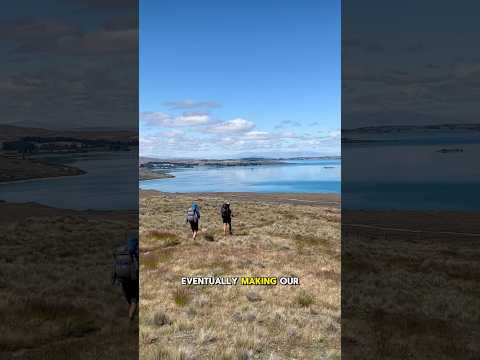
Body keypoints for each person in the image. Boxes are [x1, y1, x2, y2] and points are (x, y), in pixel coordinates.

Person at [112, 230, 139, 322]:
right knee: (135, 298)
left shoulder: (120, 252)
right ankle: (130, 318)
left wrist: (114, 279)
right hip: (133, 278)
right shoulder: (135, 252)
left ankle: (130, 312)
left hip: (122, 278)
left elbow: (114, 266)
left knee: (128, 296)